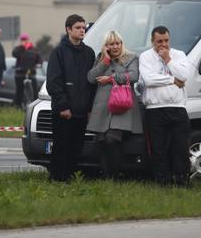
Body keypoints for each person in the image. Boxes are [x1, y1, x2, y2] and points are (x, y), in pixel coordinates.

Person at [139, 26, 193, 187]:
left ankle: (182, 180)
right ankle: (163, 182)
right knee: (158, 148)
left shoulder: (179, 55)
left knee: (181, 147)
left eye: (166, 40)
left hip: (177, 107)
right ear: (152, 41)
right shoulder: (146, 57)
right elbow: (148, 80)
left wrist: (168, 59)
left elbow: (184, 75)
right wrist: (172, 80)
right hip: (155, 109)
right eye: (159, 41)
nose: (163, 44)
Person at [46, 14, 96, 182]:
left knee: (76, 147)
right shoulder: (58, 52)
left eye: (84, 28)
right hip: (63, 112)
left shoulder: (89, 53)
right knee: (61, 146)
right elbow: (54, 82)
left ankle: (70, 177)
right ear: (68, 29)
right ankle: (56, 178)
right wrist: (63, 106)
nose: (82, 30)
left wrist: (89, 108)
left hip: (82, 111)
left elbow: (91, 83)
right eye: (78, 28)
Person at [87, 31, 142, 178]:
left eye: (118, 43)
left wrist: (112, 79)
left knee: (112, 140)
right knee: (103, 141)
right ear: (106, 46)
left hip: (122, 106)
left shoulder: (131, 58)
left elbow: (134, 76)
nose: (116, 46)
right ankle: (107, 178)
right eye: (112, 44)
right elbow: (91, 78)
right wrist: (105, 60)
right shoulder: (101, 58)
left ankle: (115, 176)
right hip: (103, 107)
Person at [12, 33, 42, 107]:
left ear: (28, 40)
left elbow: (39, 58)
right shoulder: (18, 48)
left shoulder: (34, 49)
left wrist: (39, 64)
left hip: (31, 73)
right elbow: (14, 54)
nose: (24, 41)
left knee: (34, 91)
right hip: (20, 73)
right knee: (19, 92)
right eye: (22, 40)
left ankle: (34, 106)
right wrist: (21, 47)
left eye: (25, 39)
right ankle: (18, 107)